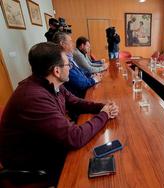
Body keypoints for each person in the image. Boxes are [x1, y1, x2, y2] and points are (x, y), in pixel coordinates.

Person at [0, 42, 119, 185]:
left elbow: (76, 102)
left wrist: (103, 107)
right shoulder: (33, 97)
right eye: (68, 64)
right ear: (57, 71)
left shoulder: (51, 83)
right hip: (33, 161)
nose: (70, 68)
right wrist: (105, 115)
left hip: (48, 143)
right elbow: (75, 137)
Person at [52, 32, 102, 98]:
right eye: (70, 41)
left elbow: (80, 73)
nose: (73, 44)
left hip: (83, 90)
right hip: (80, 96)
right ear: (62, 44)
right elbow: (80, 84)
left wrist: (91, 76)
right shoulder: (63, 61)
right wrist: (94, 79)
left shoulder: (70, 57)